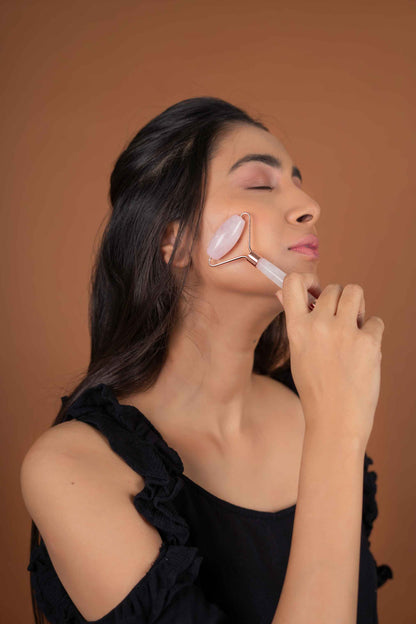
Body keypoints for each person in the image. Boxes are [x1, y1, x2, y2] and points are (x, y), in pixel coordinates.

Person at [20, 96, 393, 624]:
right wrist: (337, 427)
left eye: (298, 182)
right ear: (173, 242)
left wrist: (333, 422)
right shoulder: (71, 469)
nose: (310, 205)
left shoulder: (308, 408)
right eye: (260, 184)